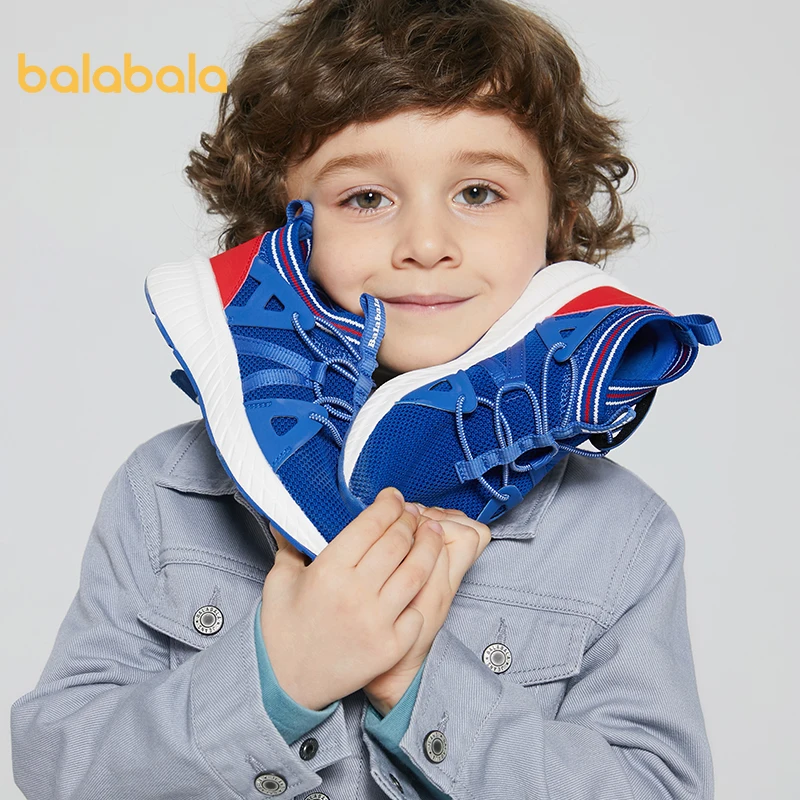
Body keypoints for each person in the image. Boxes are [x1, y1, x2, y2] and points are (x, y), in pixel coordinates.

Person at [10, 1, 714, 798]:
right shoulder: (169, 492)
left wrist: (416, 678)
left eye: (478, 192)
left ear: (558, 220)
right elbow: (60, 766)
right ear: (282, 226)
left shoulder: (619, 535)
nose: (426, 245)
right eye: (367, 199)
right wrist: (280, 676)